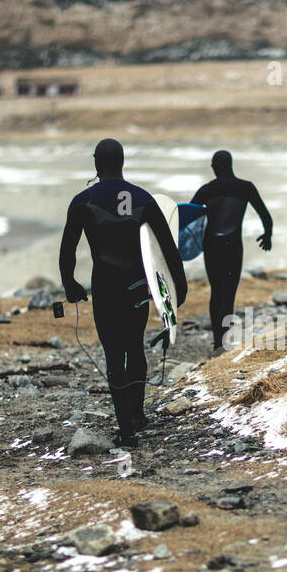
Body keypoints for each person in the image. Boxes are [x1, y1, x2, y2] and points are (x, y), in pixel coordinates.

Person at [59, 138, 187, 448]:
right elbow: (169, 250)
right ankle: (137, 415)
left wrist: (70, 284)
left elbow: (68, 250)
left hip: (105, 286)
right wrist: (176, 291)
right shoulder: (143, 199)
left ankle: (126, 429)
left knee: (114, 354)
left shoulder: (82, 201)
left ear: (95, 163)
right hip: (137, 287)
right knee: (135, 348)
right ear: (122, 161)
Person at [190, 150, 272, 353]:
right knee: (228, 294)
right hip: (233, 247)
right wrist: (267, 236)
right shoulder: (245, 187)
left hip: (212, 247)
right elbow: (265, 215)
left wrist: (185, 247)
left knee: (216, 292)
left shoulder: (206, 190)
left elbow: (188, 219)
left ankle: (218, 343)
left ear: (214, 167)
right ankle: (224, 341)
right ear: (231, 165)